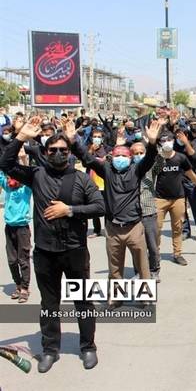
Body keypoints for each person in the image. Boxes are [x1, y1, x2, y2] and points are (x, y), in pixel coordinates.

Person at [0, 116, 105, 373]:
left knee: (83, 301)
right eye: (53, 150)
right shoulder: (37, 175)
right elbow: (5, 164)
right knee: (49, 304)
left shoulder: (80, 178)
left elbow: (100, 206)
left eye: (63, 150)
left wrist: (69, 210)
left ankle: (88, 346)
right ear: (45, 153)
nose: (58, 154)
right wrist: (20, 138)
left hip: (75, 251)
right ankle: (50, 349)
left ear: (70, 153)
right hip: (46, 252)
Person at [65, 119, 160, 307]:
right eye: (117, 155)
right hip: (113, 228)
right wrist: (73, 141)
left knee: (142, 265)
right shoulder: (107, 170)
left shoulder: (137, 170)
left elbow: (149, 159)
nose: (120, 158)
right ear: (111, 157)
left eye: (124, 155)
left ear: (130, 158)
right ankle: (116, 296)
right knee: (115, 267)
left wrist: (152, 142)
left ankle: (145, 296)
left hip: (134, 227)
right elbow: (88, 159)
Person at [154, 131, 196, 266]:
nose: (166, 143)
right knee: (156, 228)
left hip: (178, 198)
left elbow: (191, 174)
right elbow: (150, 176)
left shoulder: (181, 158)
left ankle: (177, 254)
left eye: (169, 140)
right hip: (160, 199)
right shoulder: (157, 159)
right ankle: (155, 255)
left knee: (177, 227)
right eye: (163, 141)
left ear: (173, 141)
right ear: (160, 143)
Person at [0, 148, 32, 304]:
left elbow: (28, 174)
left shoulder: (26, 189)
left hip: (22, 228)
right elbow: (1, 171)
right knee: (12, 260)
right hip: (9, 227)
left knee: (23, 259)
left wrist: (24, 159)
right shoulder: (7, 187)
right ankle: (18, 285)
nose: (11, 180)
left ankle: (25, 288)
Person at [130, 141, 161, 281]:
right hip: (133, 214)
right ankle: (138, 272)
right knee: (136, 246)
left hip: (149, 212)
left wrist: (154, 145)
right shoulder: (129, 170)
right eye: (135, 153)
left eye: (141, 153)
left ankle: (154, 270)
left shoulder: (151, 168)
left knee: (152, 245)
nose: (138, 155)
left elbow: (160, 163)